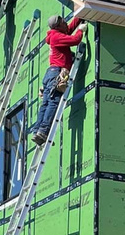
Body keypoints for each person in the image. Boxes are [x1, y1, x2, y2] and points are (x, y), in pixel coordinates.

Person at [31, 14, 86, 145]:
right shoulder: (56, 37)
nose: (66, 23)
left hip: (51, 73)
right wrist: (80, 31)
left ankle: (37, 131)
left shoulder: (56, 34)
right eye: (63, 22)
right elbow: (75, 40)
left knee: (45, 104)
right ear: (58, 26)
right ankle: (43, 131)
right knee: (53, 102)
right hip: (57, 72)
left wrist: (80, 15)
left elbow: (69, 29)